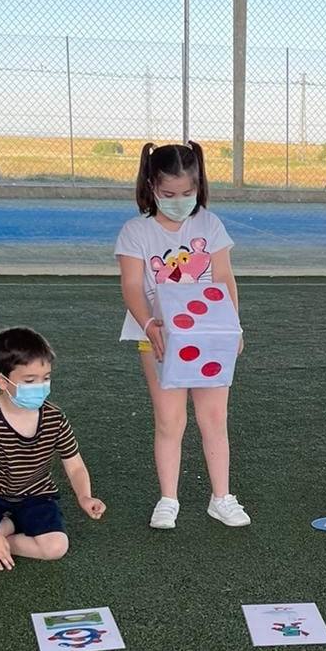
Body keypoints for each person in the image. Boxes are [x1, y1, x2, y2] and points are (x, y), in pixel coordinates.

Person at [115, 141, 250, 530]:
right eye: (168, 194)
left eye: (187, 193)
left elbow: (224, 277)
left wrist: (232, 326)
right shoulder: (135, 232)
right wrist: (149, 324)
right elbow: (131, 285)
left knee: (214, 418)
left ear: (199, 187)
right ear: (151, 187)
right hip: (157, 338)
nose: (179, 201)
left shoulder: (210, 224)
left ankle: (221, 497)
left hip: (209, 336)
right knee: (170, 421)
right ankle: (168, 499)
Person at [0, 326, 106, 569]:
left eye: (46, 378)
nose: (40, 386)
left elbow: (75, 464)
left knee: (56, 547)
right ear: (2, 381)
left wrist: (85, 496)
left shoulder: (55, 417)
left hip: (36, 496)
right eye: (29, 381)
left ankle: (6, 531)